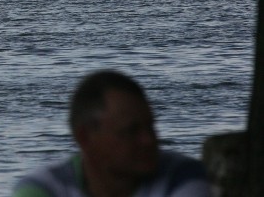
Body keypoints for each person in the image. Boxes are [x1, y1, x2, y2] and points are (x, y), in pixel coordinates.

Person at [13, 70, 212, 197]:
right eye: (130, 131)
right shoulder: (42, 189)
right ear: (85, 138)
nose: (149, 140)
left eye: (151, 126)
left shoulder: (183, 177)